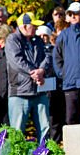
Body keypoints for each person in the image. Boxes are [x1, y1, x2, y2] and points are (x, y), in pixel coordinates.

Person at [5, 13, 52, 142]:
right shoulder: (12, 40)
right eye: (34, 26)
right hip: (19, 93)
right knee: (17, 132)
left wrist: (41, 70)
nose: (37, 29)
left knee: (45, 128)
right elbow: (16, 61)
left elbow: (48, 56)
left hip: (39, 91)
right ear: (24, 26)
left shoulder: (38, 40)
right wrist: (34, 73)